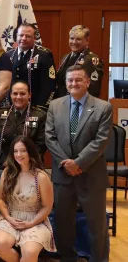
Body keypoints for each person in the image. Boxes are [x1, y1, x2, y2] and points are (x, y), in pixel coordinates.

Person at [45, 64, 112, 262]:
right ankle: (67, 258)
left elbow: (101, 141)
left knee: (96, 225)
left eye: (78, 80)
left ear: (87, 82)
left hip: (91, 176)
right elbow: (50, 137)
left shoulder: (103, 107)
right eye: (70, 80)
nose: (74, 83)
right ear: (65, 83)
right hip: (63, 174)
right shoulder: (55, 105)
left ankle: (99, 259)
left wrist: (79, 163)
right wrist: (68, 164)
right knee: (63, 223)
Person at [0, 136, 56, 262]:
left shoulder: (41, 177)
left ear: (30, 152)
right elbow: (0, 198)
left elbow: (47, 206)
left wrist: (31, 223)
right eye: (15, 151)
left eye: (23, 150)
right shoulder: (7, 172)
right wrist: (8, 217)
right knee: (0, 244)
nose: (19, 154)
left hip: (35, 219)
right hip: (10, 217)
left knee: (29, 251)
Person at [0, 81, 47, 167]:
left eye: (22, 93)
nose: (18, 97)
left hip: (31, 164)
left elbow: (41, 145)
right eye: (15, 93)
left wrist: (24, 160)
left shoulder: (40, 115)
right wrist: (5, 161)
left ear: (29, 95)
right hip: (5, 164)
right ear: (10, 95)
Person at [7, 23, 56, 109]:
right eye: (21, 35)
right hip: (12, 104)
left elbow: (48, 84)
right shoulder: (8, 55)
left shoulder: (44, 55)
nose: (23, 38)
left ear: (34, 38)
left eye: (28, 36)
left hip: (35, 105)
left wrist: (40, 107)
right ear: (16, 36)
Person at [55, 25, 103, 99]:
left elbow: (94, 88)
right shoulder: (65, 57)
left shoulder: (92, 59)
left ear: (87, 41)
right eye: (71, 38)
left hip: (81, 103)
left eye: (78, 39)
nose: (74, 42)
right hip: (63, 102)